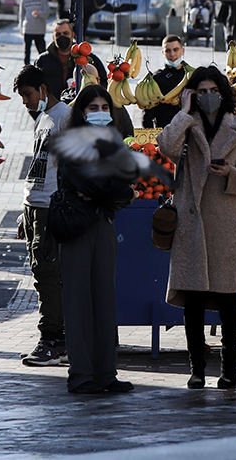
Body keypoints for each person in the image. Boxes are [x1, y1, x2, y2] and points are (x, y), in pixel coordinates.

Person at [157, 66, 236, 389]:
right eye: (200, 91)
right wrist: (185, 113)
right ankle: (197, 368)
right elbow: (166, 146)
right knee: (194, 300)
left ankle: (229, 369)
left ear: (223, 93)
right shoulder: (187, 127)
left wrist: (230, 172)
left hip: (227, 221)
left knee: (229, 300)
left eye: (212, 90)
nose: (207, 97)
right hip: (192, 220)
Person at [57, 85, 136, 394]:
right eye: (93, 108)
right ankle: (81, 374)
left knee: (104, 298)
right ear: (82, 112)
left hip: (103, 222)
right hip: (76, 225)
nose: (100, 113)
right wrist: (114, 188)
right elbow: (101, 186)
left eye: (105, 107)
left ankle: (106, 372)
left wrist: (115, 189)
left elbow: (121, 186)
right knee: (77, 302)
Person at [15, 64, 72, 366]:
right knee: (41, 274)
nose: (25, 101)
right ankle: (53, 338)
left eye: (27, 94)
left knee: (48, 273)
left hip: (50, 207)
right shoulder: (44, 119)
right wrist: (26, 212)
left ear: (42, 90)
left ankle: (53, 339)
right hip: (35, 206)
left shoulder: (65, 117)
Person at [142, 34, 192, 129]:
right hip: (165, 132)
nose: (172, 54)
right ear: (163, 52)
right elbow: (147, 116)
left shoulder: (192, 76)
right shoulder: (157, 78)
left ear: (182, 50)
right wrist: (149, 141)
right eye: (168, 51)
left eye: (175, 50)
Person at [20, 0, 49, 64]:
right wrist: (21, 28)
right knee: (27, 51)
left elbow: (47, 12)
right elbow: (21, 14)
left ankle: (44, 66)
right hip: (28, 28)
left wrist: (39, 13)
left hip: (39, 29)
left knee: (42, 51)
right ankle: (26, 68)